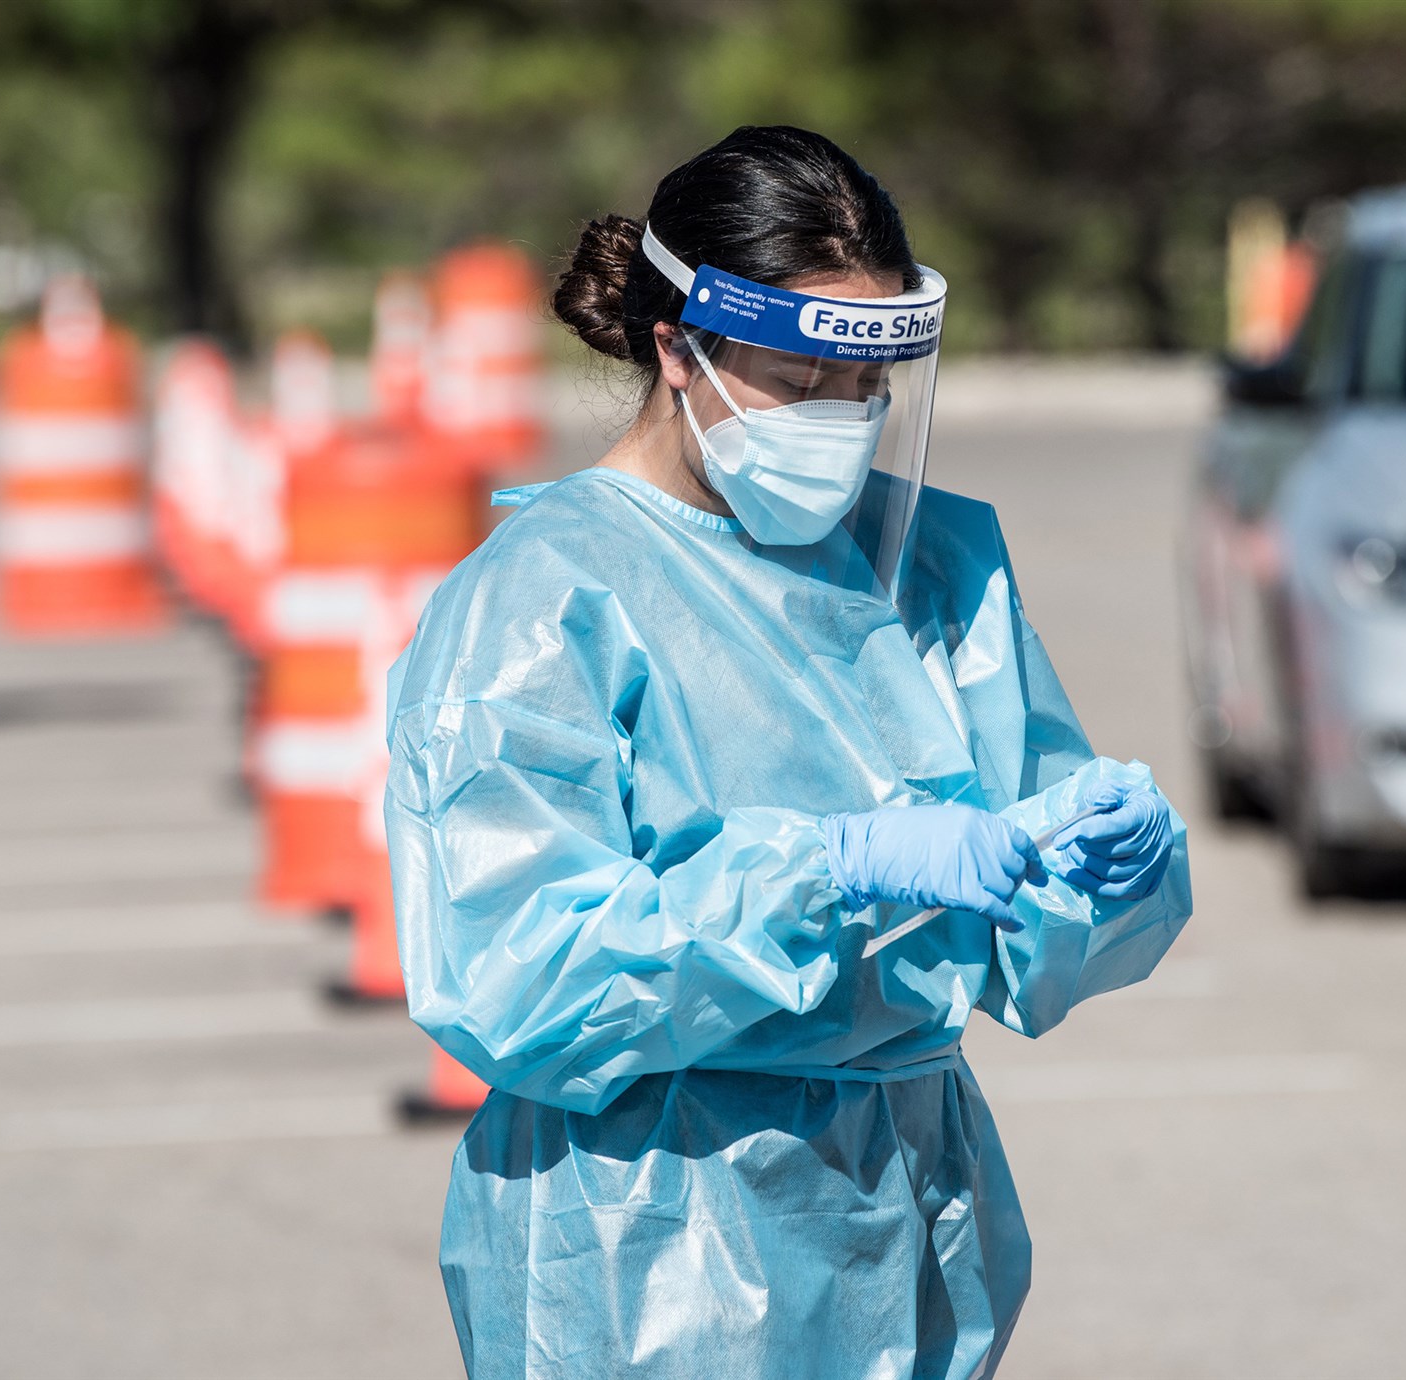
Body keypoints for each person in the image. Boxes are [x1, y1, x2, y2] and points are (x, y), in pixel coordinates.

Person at [385, 125, 1192, 1380]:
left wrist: (1101, 867)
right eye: (797, 379)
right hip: (648, 1238)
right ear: (677, 346)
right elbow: (515, 979)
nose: (839, 422)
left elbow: (1027, 949)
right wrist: (829, 871)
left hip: (910, 1209)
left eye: (864, 392)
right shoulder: (542, 601)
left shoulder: (927, 559)